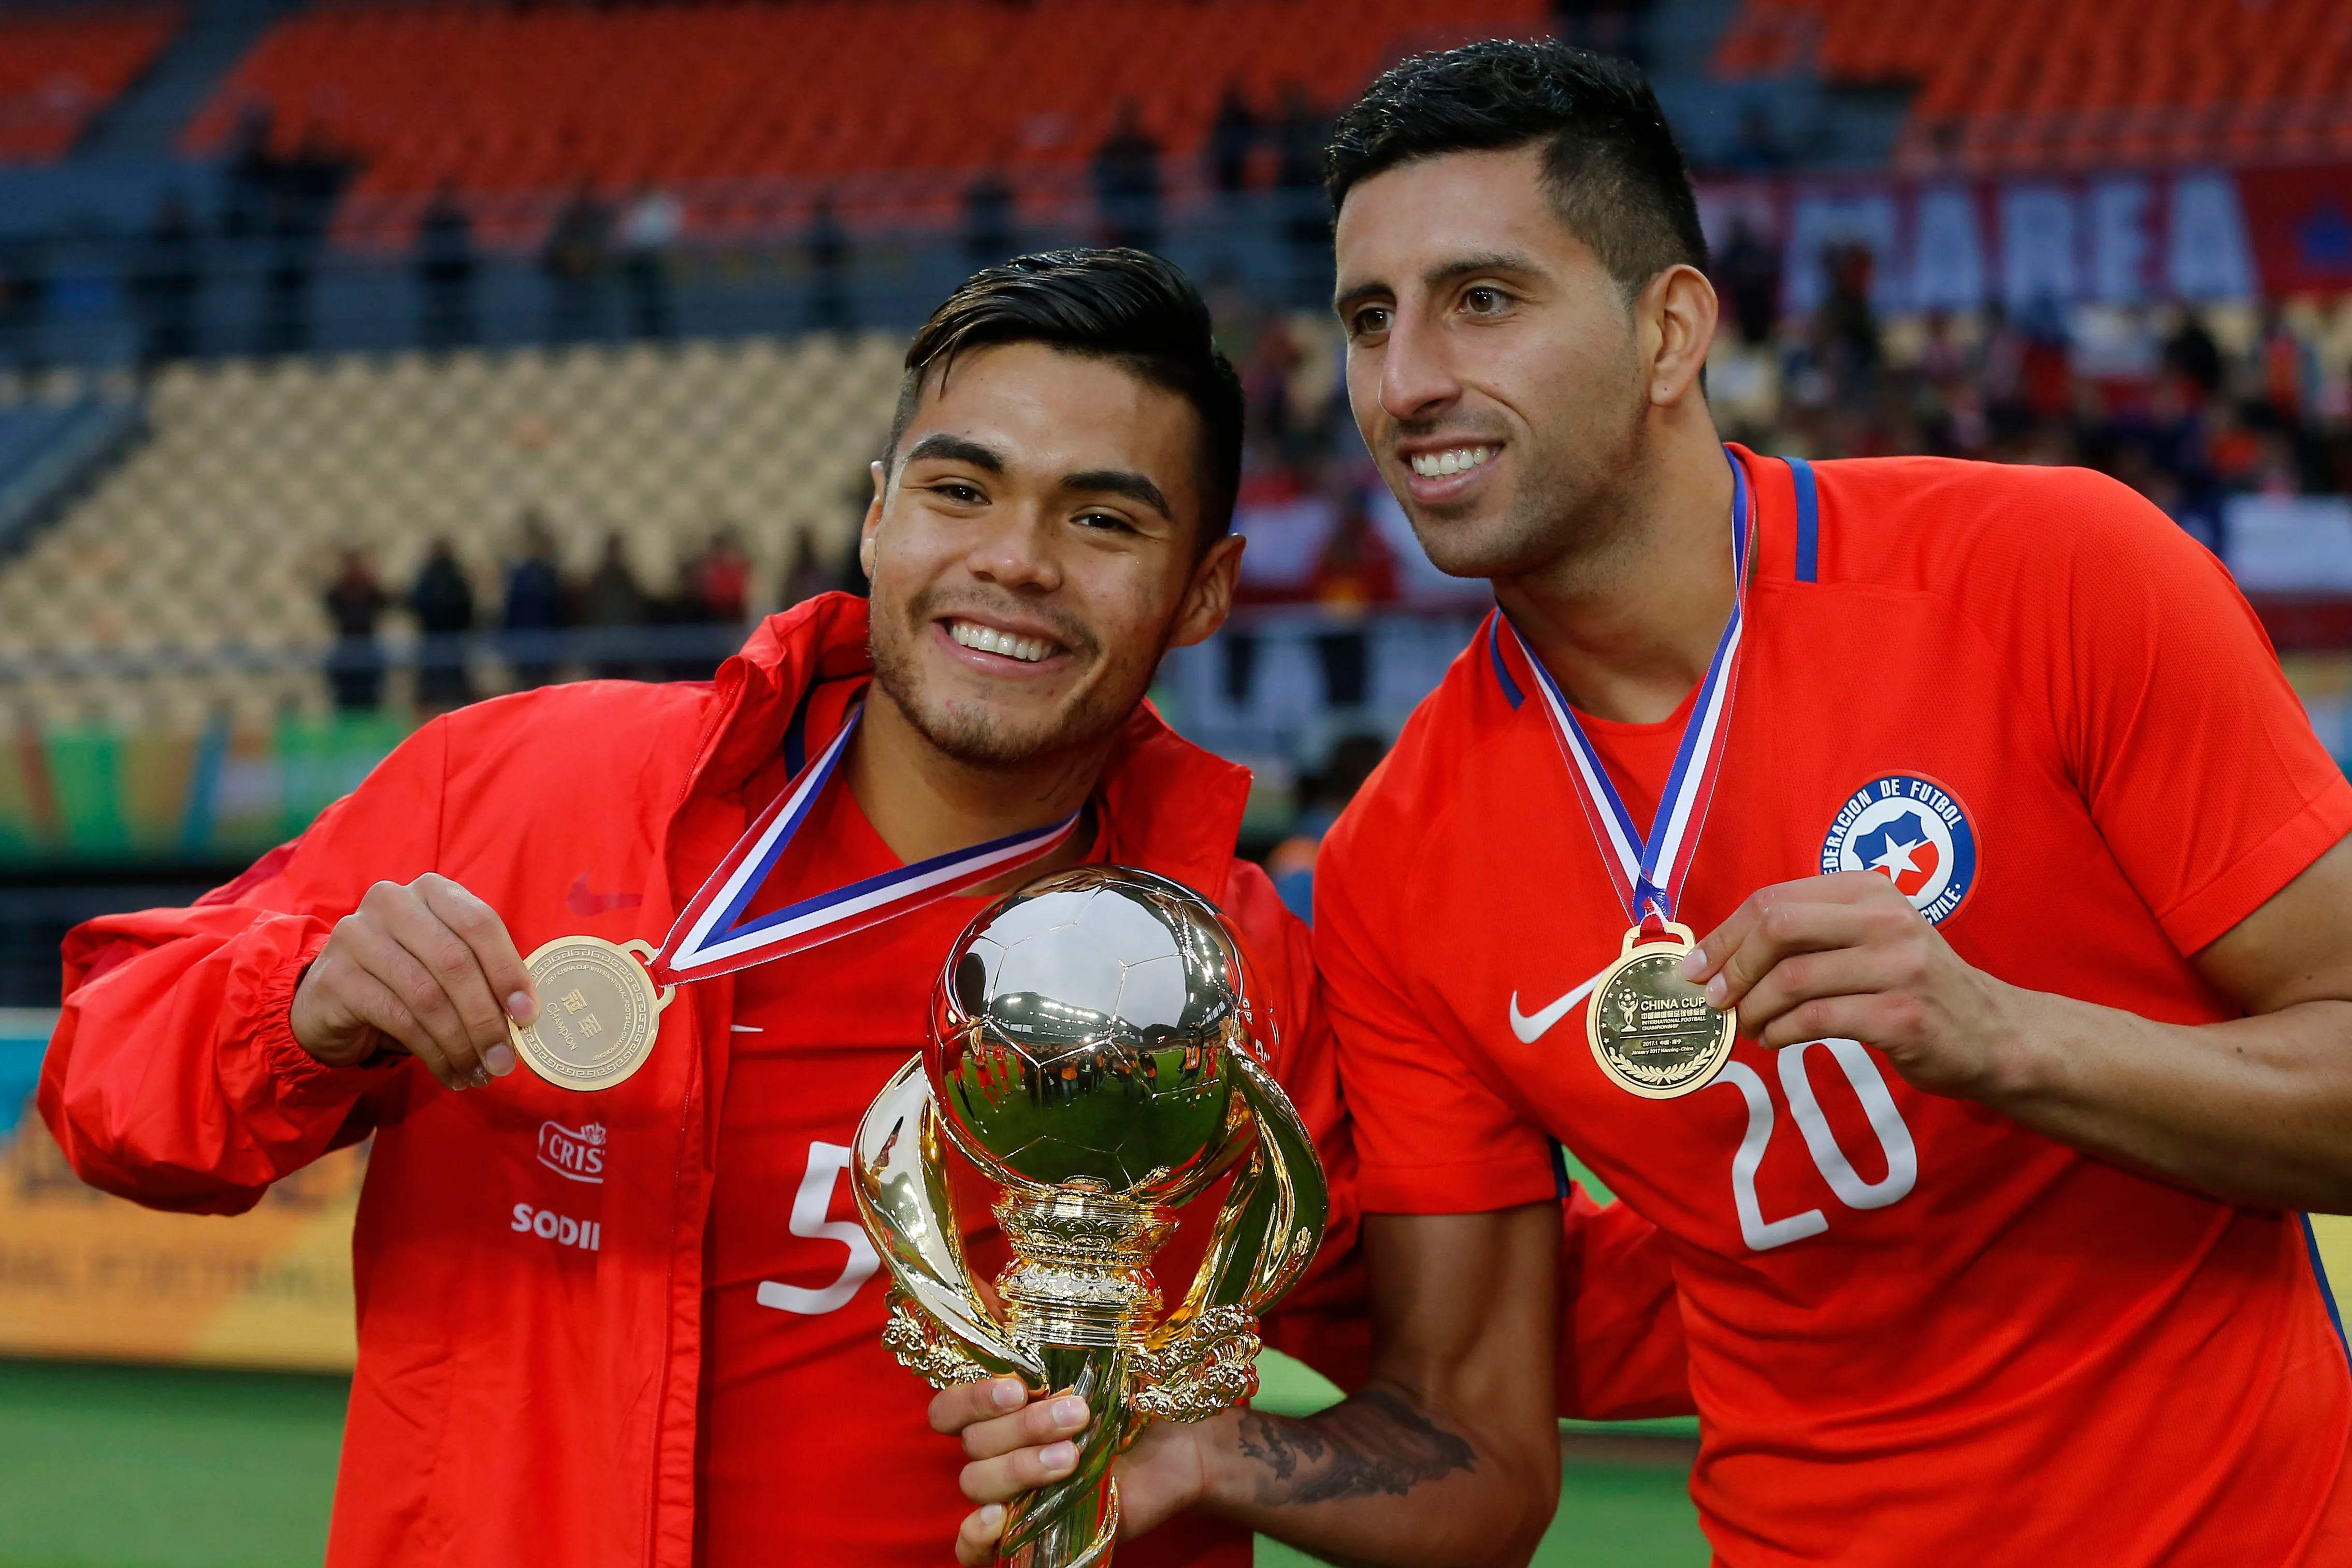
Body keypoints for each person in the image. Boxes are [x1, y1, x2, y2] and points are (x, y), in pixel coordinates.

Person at [946, 39, 2352, 1568]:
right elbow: (1475, 1461)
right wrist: (1208, 1450)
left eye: (1481, 300)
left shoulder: (2051, 575)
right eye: (1370, 318)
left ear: (1670, 327)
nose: (1409, 381)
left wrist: (2006, 1037)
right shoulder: (1394, 866)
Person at [37, 250, 1380, 1568]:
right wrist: (298, 1001)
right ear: (875, 517)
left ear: (1204, 588)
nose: (1014, 559)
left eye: (1102, 519)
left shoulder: (1234, 972)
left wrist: (1219, 1453)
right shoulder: (512, 787)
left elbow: (1478, 1367)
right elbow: (107, 1087)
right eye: (958, 488)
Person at [409, 538, 476, 712]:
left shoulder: (429, 578)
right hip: (449, 641)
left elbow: (417, 605)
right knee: (450, 691)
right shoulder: (456, 578)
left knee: (436, 691)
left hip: (437, 641)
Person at [323, 547, 391, 712]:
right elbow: (330, 602)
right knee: (346, 701)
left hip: (367, 649)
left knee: (370, 699)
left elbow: (385, 601)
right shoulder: (341, 591)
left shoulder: (368, 590)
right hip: (347, 649)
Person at [414, 182, 478, 352]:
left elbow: (464, 246)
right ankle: (436, 348)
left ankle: (463, 345)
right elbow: (426, 247)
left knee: (458, 312)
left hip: (455, 273)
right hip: (439, 274)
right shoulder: (432, 220)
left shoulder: (458, 219)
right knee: (438, 312)